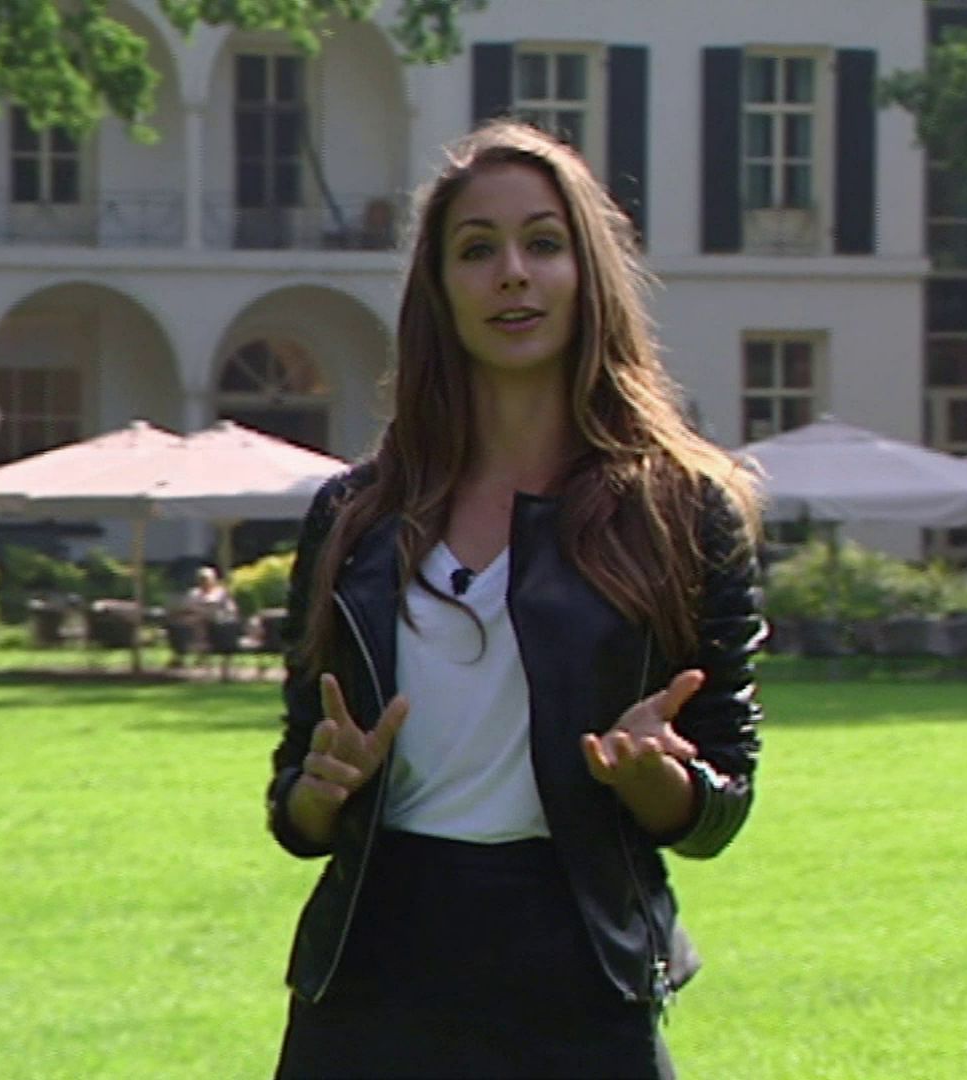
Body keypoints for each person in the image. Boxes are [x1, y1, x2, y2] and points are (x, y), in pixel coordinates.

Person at [263, 120, 767, 1079]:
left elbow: (721, 802)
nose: (512, 275)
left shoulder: (682, 511)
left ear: (588, 273)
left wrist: (654, 781)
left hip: (580, 972)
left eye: (542, 243)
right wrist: (321, 794)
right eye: (476, 250)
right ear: (439, 287)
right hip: (374, 975)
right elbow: (295, 803)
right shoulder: (354, 517)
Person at [170, 565, 237, 669]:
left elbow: (231, 610)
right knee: (180, 624)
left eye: (206, 579)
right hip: (195, 622)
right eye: (201, 579)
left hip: (217, 623)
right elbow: (186, 609)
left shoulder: (221, 593)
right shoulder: (194, 593)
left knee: (202, 622)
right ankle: (181, 654)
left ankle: (200, 654)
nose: (204, 582)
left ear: (213, 580)